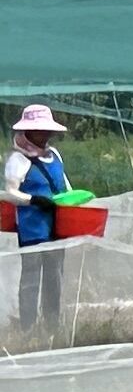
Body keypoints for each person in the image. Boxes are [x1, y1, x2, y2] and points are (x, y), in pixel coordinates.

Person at [5, 106, 69, 340]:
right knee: (31, 279)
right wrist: (33, 199)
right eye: (38, 130)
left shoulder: (54, 156)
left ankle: (52, 327)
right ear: (28, 131)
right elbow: (10, 193)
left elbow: (65, 186)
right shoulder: (18, 159)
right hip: (33, 228)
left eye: (45, 130)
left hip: (58, 226)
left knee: (55, 278)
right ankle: (28, 329)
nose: (43, 135)